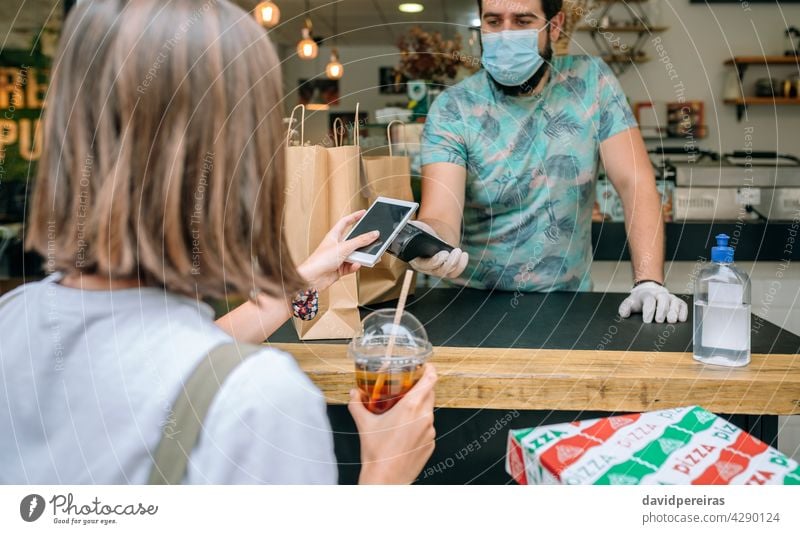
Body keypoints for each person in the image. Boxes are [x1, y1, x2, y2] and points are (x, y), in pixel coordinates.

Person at [0, 0, 435, 485]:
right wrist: (385, 473)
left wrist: (307, 275)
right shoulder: (258, 402)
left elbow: (168, 358)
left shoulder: (15, 316)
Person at [410, 0, 688, 324]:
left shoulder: (592, 83)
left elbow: (635, 183)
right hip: (470, 305)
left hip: (568, 305)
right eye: (494, 22)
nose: (506, 34)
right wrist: (428, 242)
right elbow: (442, 214)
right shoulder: (454, 108)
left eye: (523, 21)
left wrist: (649, 281)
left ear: (553, 26)